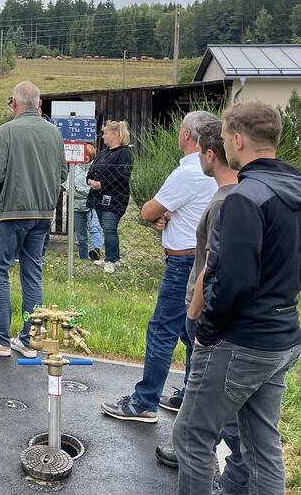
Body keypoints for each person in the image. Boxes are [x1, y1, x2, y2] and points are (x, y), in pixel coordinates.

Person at [173, 102, 300, 495]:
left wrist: (206, 334)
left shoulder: (245, 197)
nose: (224, 143)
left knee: (192, 437)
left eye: (226, 136)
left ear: (238, 139)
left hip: (241, 340)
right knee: (261, 443)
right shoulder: (293, 189)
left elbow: (233, 280)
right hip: (283, 336)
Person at [101, 111, 217, 422]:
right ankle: (189, 397)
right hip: (205, 257)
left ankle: (144, 402)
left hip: (182, 261)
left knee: (162, 329)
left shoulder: (188, 172)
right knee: (190, 330)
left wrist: (158, 214)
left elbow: (150, 209)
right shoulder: (218, 170)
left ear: (187, 136)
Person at [154, 120, 247, 492]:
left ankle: (218, 468)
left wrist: (196, 315)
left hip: (220, 320)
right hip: (266, 330)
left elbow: (215, 264)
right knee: (223, 411)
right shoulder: (251, 190)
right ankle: (222, 467)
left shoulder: (230, 199)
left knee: (211, 413)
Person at [0, 82, 66, 358]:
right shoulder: (54, 132)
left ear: (14, 103)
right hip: (43, 213)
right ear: (40, 103)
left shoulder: (8, 131)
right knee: (32, 273)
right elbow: (62, 175)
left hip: (11, 212)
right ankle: (29, 339)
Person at [86, 120, 134, 273]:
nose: (103, 136)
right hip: (98, 197)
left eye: (105, 133)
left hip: (115, 198)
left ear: (115, 134)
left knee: (109, 228)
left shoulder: (125, 153)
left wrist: (102, 184)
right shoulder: (104, 152)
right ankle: (114, 257)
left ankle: (111, 260)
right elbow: (92, 168)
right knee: (106, 227)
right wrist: (90, 179)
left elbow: (121, 175)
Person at [69, 143, 103, 262]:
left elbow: (95, 189)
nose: (85, 157)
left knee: (95, 227)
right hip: (77, 206)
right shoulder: (73, 168)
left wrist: (78, 190)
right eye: (82, 154)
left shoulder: (95, 169)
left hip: (92, 204)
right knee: (81, 234)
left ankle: (96, 250)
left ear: (91, 155)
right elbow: (69, 188)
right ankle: (84, 258)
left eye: (87, 155)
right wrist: (85, 191)